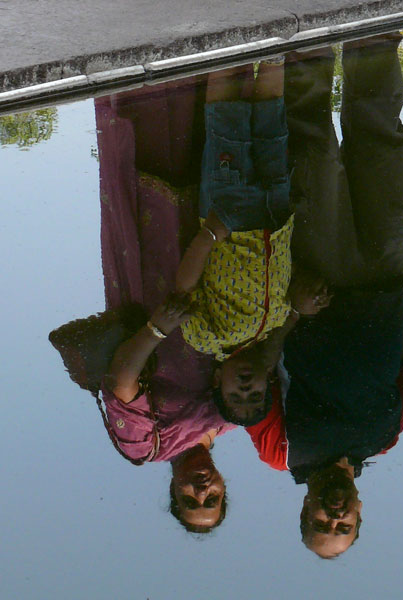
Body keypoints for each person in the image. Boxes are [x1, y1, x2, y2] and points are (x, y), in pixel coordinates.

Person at [246, 34, 403, 557]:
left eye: (322, 524)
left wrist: (290, 308)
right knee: (383, 142)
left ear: (305, 510)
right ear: (359, 513)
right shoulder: (384, 438)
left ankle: (307, 39)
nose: (334, 516)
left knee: (312, 147)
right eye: (343, 527)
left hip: (317, 275)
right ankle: (376, 33)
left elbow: (251, 369)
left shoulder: (281, 452)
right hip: (387, 272)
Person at [77, 81, 236, 533]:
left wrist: (157, 329)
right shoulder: (231, 419)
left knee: (150, 176)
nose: (201, 490)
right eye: (212, 498)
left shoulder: (146, 447)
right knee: (202, 160)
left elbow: (121, 384)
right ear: (224, 486)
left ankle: (135, 75)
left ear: (173, 492)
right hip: (208, 274)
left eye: (190, 500)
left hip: (150, 290)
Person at [174, 59, 332, 427]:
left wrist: (208, 235)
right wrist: (309, 301)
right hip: (274, 211)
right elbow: (290, 279)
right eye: (256, 394)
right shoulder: (274, 323)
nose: (246, 388)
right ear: (268, 381)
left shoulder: (207, 339)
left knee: (226, 127)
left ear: (218, 380)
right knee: (270, 127)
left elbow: (183, 289)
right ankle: (271, 50)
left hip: (229, 216)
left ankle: (225, 50)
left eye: (236, 395)